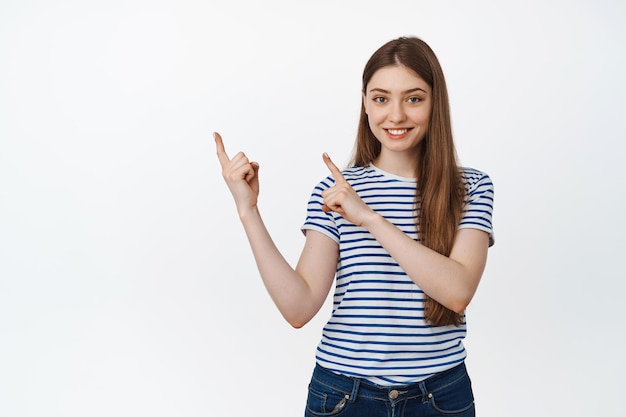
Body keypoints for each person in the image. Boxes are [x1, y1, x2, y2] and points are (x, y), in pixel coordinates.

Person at [215, 36, 494, 417]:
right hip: (345, 397)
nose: (395, 116)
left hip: (440, 397)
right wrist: (248, 211)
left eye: (413, 98)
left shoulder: (471, 187)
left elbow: (458, 292)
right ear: (365, 103)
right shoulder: (334, 193)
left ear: (435, 103)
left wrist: (368, 218)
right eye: (381, 98)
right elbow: (298, 308)